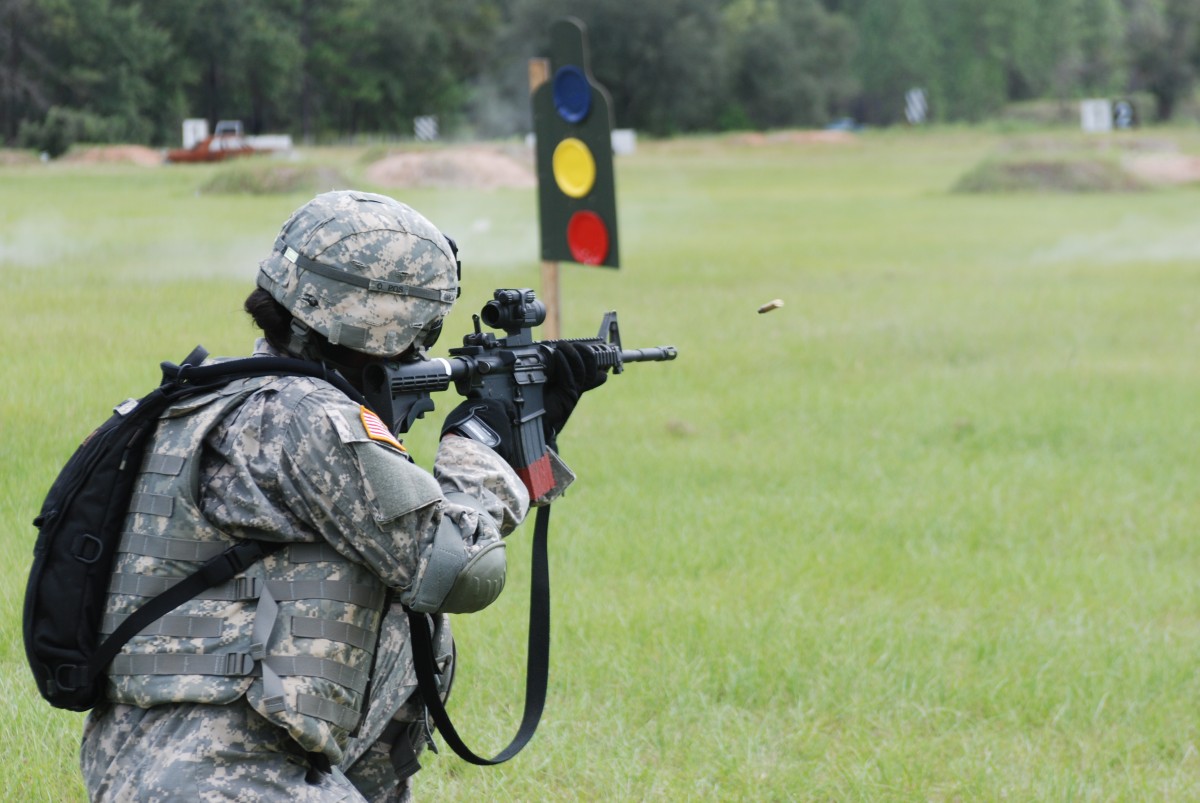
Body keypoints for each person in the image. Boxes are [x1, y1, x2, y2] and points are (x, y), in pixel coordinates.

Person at [78, 190, 603, 801]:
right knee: (418, 580)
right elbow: (462, 569)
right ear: (391, 319)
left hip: (154, 762)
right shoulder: (309, 418)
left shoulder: (206, 397)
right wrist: (485, 448)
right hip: (226, 777)